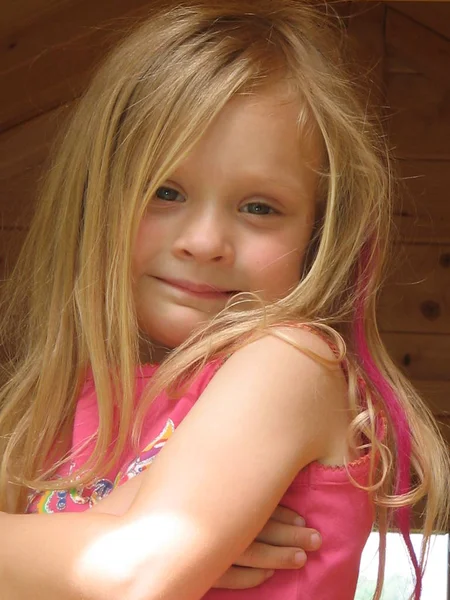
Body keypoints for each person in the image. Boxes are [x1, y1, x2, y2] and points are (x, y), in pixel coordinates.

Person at [0, 1, 448, 599]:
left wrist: (96, 543)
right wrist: (101, 531)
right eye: (165, 191)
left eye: (259, 207)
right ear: (97, 202)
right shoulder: (56, 403)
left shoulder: (290, 362)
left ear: (314, 237)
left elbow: (130, 575)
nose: (205, 242)